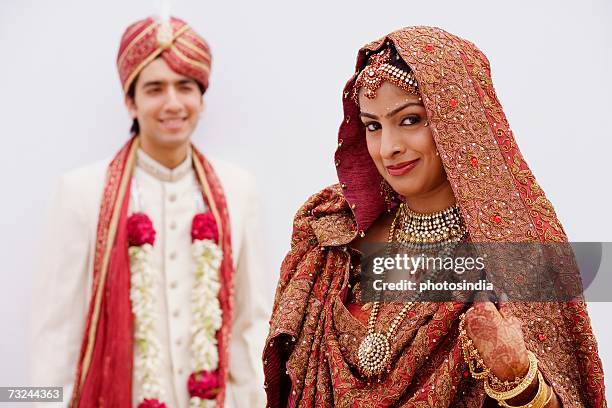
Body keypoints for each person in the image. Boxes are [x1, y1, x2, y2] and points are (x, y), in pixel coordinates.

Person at [263, 27, 606, 407]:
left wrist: (518, 378)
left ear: (457, 121)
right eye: (373, 126)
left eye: (410, 120)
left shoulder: (519, 249)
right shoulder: (332, 238)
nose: (389, 148)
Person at [30, 16, 268, 408]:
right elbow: (56, 334)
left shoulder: (238, 190)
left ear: (202, 99)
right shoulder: (80, 193)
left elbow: (250, 323)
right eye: (155, 88)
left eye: (185, 87)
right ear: (130, 101)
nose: (172, 103)